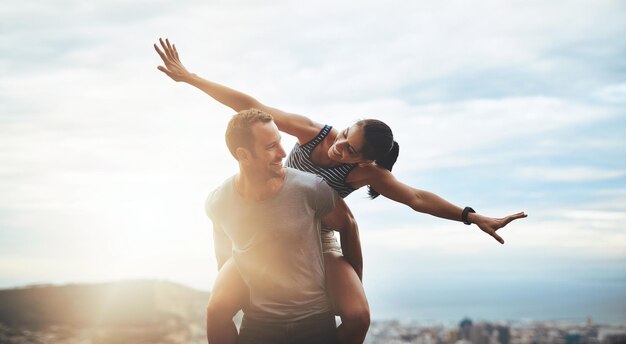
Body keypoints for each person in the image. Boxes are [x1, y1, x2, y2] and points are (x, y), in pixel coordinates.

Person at [154, 38, 528, 344]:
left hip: (318, 241)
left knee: (357, 315)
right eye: (346, 134)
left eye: (351, 149)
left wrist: (470, 216)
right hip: (269, 229)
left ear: (365, 162)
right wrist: (191, 78)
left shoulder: (367, 175)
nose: (340, 146)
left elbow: (416, 198)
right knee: (217, 308)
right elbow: (252, 108)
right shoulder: (315, 132)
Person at [206, 109, 362, 344]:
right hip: (259, 324)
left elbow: (348, 224)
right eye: (270, 147)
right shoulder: (219, 202)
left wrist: (351, 285)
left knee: (360, 317)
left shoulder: (310, 188)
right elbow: (224, 255)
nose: (282, 153)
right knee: (214, 313)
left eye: (280, 142)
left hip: (315, 320)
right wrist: (237, 293)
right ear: (243, 155)